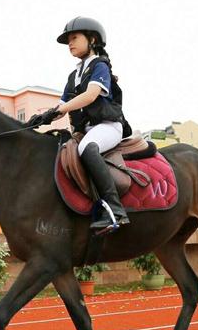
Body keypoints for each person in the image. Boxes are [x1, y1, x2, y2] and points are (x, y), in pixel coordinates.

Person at [32, 16, 132, 233]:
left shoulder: (100, 66)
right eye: (68, 40)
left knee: (87, 148)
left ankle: (115, 208)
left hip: (108, 126)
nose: (70, 43)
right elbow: (63, 105)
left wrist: (59, 110)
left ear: (93, 39)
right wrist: (40, 119)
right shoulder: (74, 75)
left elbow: (90, 95)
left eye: (75, 37)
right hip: (86, 130)